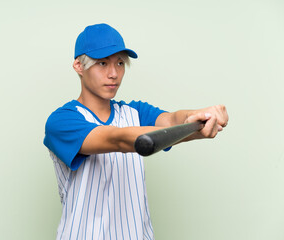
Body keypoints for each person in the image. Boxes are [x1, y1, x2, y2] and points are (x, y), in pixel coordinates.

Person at [43, 23, 228, 240]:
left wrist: (199, 117)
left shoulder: (135, 112)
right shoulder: (62, 120)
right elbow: (116, 139)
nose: (114, 74)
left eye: (120, 63)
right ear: (78, 66)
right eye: (102, 63)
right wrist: (182, 129)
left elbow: (172, 120)